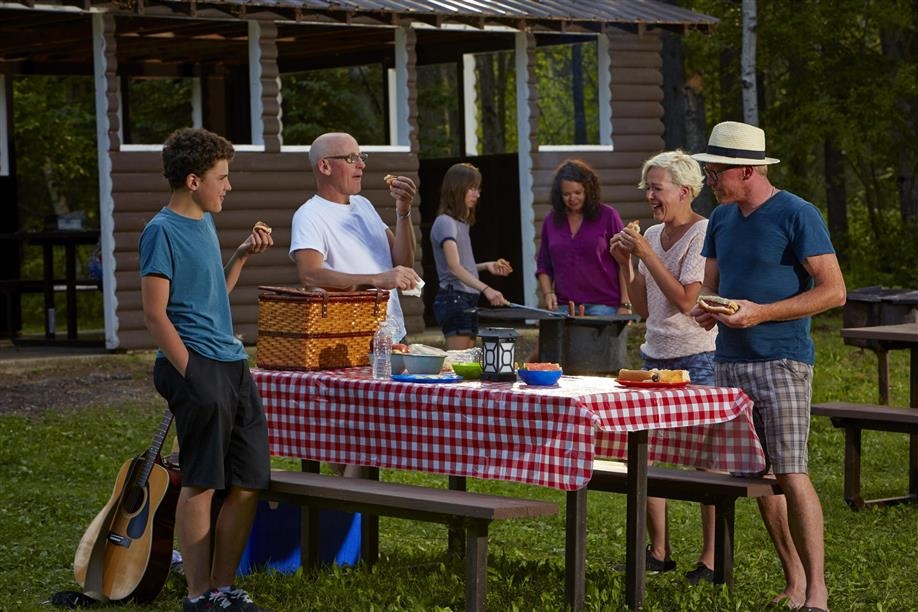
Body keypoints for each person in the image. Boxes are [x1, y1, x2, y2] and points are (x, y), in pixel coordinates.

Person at [691, 121, 845, 612]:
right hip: (729, 363)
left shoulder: (798, 213)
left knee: (791, 473)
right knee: (755, 475)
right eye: (709, 171)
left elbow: (833, 291)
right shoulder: (720, 218)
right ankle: (794, 579)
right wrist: (707, 307)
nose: (710, 180)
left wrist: (761, 311)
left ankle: (818, 592)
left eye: (717, 172)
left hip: (782, 361)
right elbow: (710, 286)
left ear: (749, 170)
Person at [139, 127, 273, 612]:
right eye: (222, 177)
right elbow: (156, 313)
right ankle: (197, 596)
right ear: (193, 180)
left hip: (233, 364)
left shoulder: (204, 222)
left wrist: (238, 256)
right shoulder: (161, 230)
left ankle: (222, 587)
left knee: (249, 479)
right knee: (201, 480)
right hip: (197, 367)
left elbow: (210, 293)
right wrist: (190, 371)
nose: (228, 186)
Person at [609, 150, 717, 584]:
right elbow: (641, 306)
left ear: (684, 191)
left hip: (698, 356)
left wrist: (645, 255)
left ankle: (711, 559)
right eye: (647, 187)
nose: (650, 195)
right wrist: (625, 263)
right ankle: (658, 551)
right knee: (646, 457)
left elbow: (688, 301)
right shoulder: (651, 234)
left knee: (706, 463)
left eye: (657, 188)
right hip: (654, 357)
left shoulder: (703, 232)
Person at [289, 132, 421, 343]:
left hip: (394, 333)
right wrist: (376, 280)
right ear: (325, 166)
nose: (361, 165)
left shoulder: (363, 204)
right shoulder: (309, 215)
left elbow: (403, 263)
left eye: (362, 157)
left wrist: (403, 211)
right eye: (351, 158)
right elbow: (310, 275)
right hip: (350, 337)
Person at [429, 162, 512, 350]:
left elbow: (461, 264)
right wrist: (487, 289)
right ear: (457, 188)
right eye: (472, 189)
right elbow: (454, 267)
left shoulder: (460, 223)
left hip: (466, 299)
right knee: (459, 362)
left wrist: (485, 266)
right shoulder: (445, 222)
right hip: (455, 299)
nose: (477, 195)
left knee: (468, 363)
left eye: (478, 189)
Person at [536, 159, 631, 316]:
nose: (572, 198)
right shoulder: (550, 221)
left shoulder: (608, 216)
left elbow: (623, 262)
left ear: (588, 190)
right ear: (559, 195)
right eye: (566, 194)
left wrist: (625, 303)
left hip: (605, 307)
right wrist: (547, 294)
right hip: (565, 308)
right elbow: (543, 265)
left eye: (578, 192)